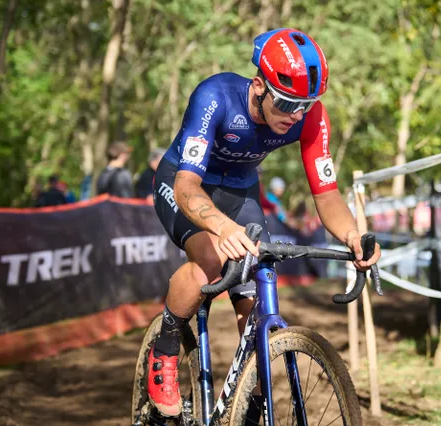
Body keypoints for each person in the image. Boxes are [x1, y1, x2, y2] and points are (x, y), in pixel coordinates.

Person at [149, 28, 381, 417]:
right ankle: (166, 346)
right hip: (184, 182)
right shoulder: (216, 96)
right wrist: (221, 228)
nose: (296, 115)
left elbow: (325, 193)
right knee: (209, 260)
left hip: (240, 191)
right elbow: (187, 186)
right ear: (259, 86)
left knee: (255, 291)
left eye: (305, 105)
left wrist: (352, 234)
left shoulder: (309, 117)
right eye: (287, 102)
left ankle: (248, 400)